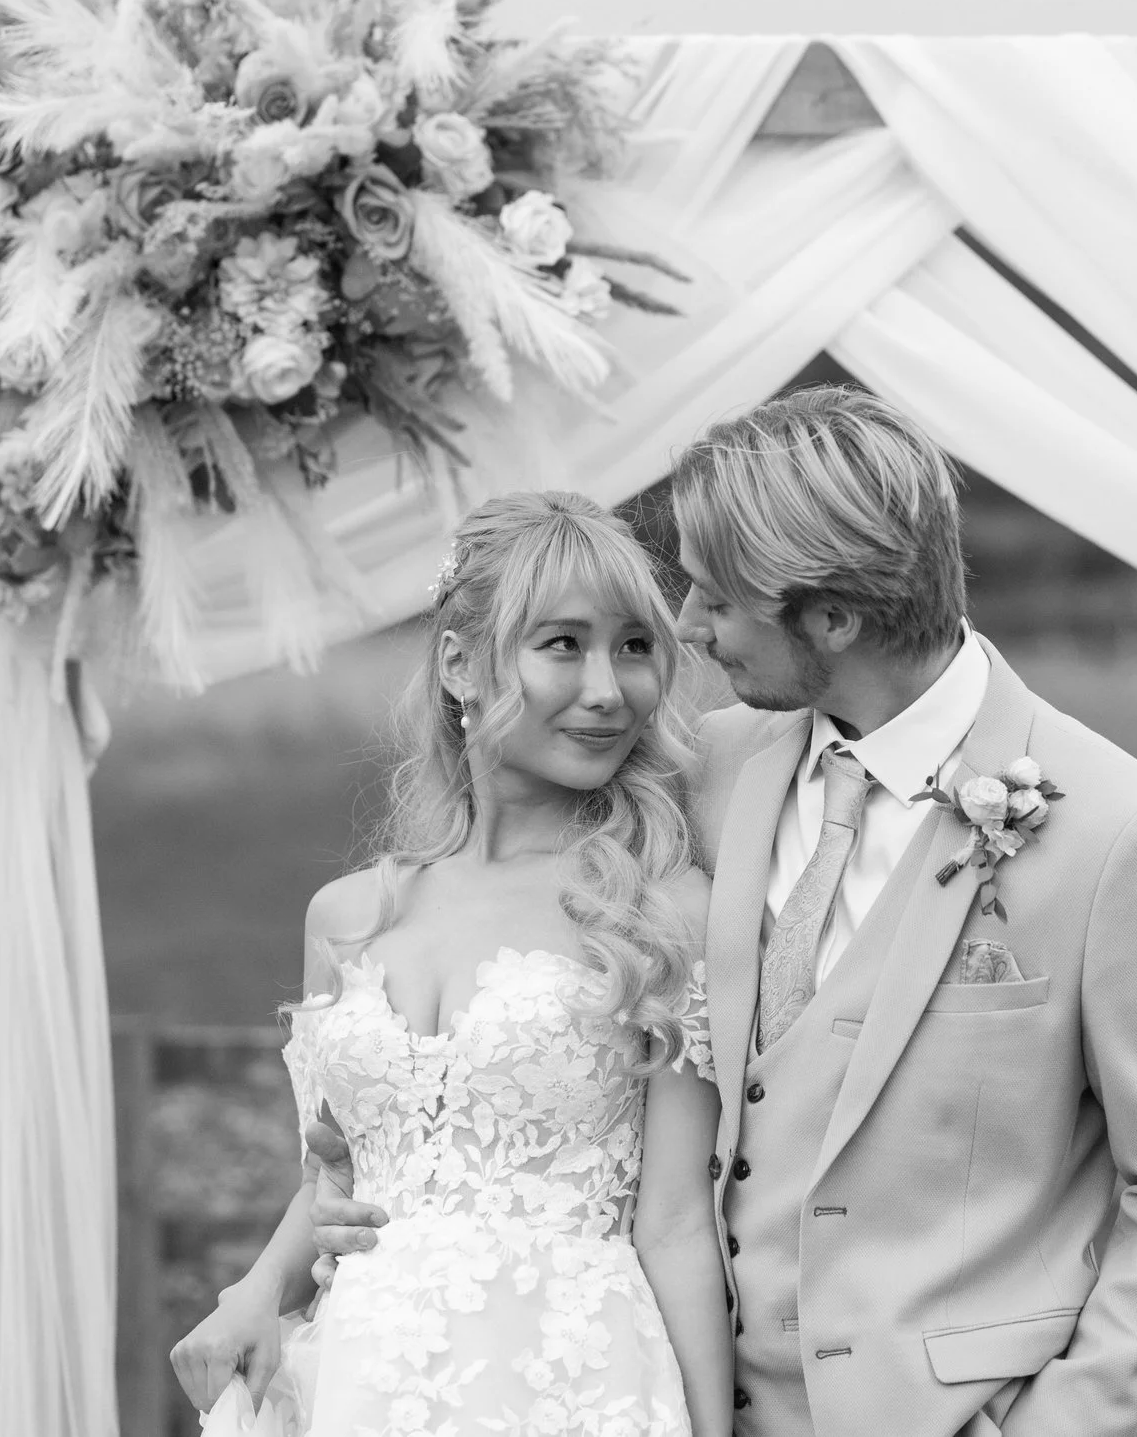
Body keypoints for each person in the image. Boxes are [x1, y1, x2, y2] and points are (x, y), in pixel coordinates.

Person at [315, 388, 1137, 1437]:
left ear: (831, 617)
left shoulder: (1113, 834)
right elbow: (486, 926)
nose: (683, 630)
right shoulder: (704, 772)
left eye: (715, 601)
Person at [170, 490, 733, 1437]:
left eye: (635, 646)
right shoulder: (347, 917)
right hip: (362, 1381)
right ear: (460, 662)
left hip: (571, 1383)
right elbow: (340, 1180)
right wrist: (259, 1286)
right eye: (563, 643)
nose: (609, 688)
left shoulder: (660, 912)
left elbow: (676, 1220)